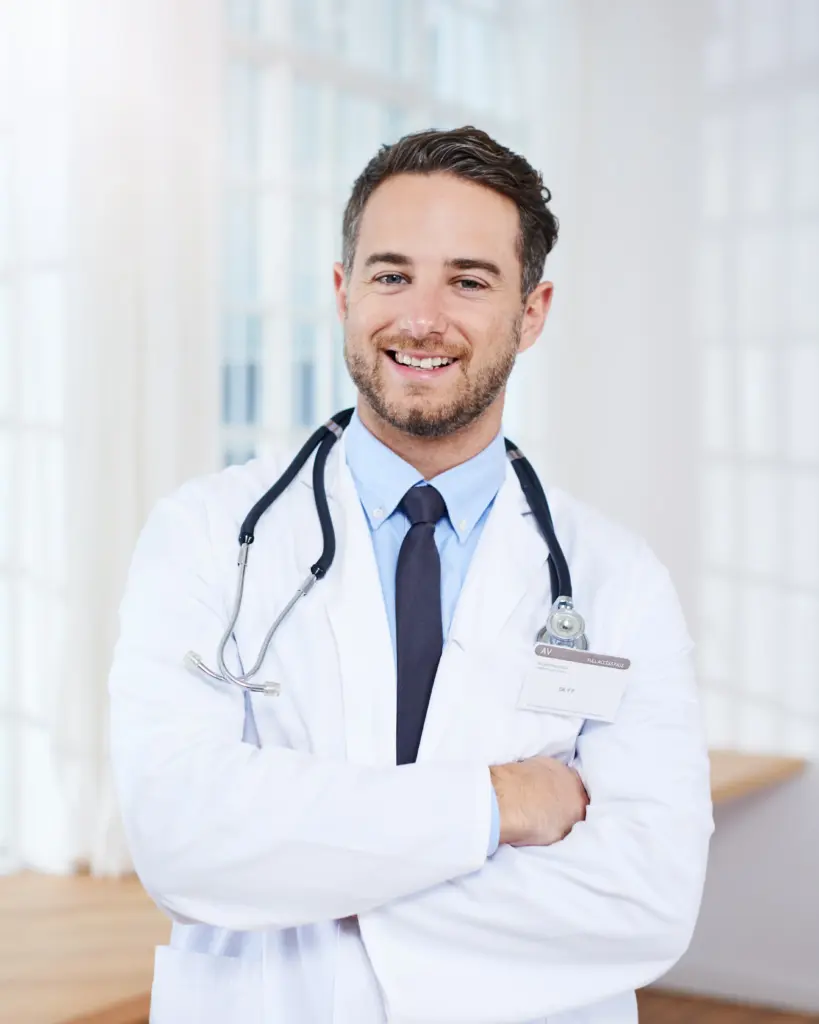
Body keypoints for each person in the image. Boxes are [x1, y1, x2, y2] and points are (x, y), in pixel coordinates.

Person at [109, 126, 714, 1024]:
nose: (421, 319)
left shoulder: (616, 580)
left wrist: (323, 880)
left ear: (532, 311)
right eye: (391, 275)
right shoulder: (203, 537)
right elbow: (181, 836)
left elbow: (647, 898)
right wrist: (497, 804)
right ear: (344, 291)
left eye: (468, 281)